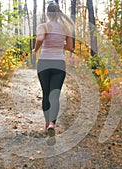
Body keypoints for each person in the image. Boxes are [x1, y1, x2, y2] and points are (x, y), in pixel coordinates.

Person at [32, 2, 74, 137]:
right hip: (59, 64)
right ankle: (52, 124)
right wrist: (58, 44)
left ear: (47, 13)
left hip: (44, 62)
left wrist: (35, 49)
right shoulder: (65, 28)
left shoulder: (43, 26)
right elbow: (69, 47)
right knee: (54, 94)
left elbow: (40, 38)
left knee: (46, 93)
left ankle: (46, 123)